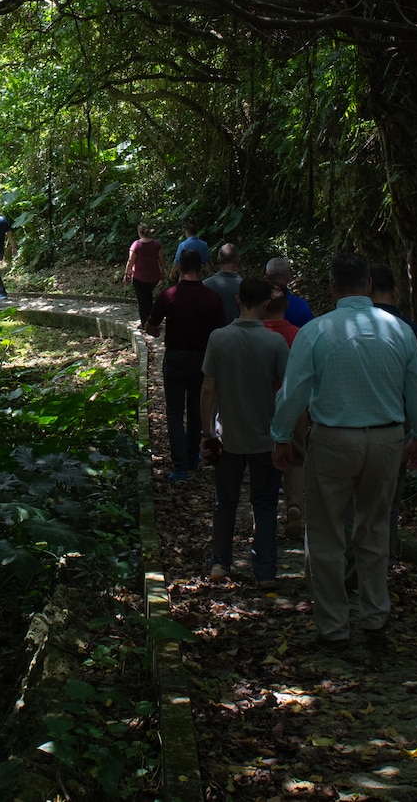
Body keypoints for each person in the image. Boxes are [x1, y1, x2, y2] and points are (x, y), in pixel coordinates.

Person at [271, 253, 417, 654]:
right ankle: (375, 620)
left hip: (332, 440)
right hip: (386, 440)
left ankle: (334, 628)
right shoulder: (399, 330)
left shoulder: (316, 331)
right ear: (366, 284)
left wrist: (280, 436)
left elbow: (293, 392)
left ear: (331, 286)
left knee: (326, 535)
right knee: (375, 530)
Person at [201, 274, 291, 587]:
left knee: (225, 502)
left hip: (228, 435)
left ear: (238, 300)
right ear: (267, 303)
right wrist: (286, 432)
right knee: (264, 503)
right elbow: (288, 390)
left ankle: (220, 563)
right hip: (265, 436)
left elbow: (208, 388)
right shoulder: (275, 342)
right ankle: (265, 570)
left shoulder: (219, 338)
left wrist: (206, 431)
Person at [145, 247, 227, 482]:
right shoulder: (213, 298)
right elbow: (219, 333)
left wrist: (157, 330)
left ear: (180, 266)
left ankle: (180, 466)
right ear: (200, 267)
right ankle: (193, 458)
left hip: (176, 358)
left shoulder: (169, 295)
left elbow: (151, 327)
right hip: (202, 359)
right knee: (195, 409)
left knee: (174, 412)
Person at [370, 262, 417, 556]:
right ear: (396, 289)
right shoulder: (413, 331)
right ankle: (384, 560)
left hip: (357, 421)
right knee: (389, 500)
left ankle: (352, 564)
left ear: (367, 288)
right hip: (400, 424)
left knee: (351, 500)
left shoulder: (356, 327)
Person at [261, 285, 307, 534]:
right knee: (296, 459)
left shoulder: (257, 334)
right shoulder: (300, 335)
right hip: (296, 404)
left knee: (265, 457)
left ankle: (265, 513)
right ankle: (295, 505)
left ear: (264, 305)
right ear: (287, 306)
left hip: (263, 404)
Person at [124, 223, 164, 324]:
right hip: (153, 276)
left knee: (142, 300)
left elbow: (130, 261)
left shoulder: (136, 245)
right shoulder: (156, 244)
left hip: (139, 277)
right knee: (149, 297)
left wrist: (126, 274)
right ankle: (152, 321)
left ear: (139, 233)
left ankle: (144, 322)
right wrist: (163, 271)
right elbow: (161, 259)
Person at [266, 256, 315, 327]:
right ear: (288, 277)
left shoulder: (259, 303)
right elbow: (310, 330)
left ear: (267, 276)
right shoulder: (300, 305)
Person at [202, 242, 243, 324]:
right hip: (240, 335)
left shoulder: (204, 286)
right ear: (238, 260)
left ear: (218, 260)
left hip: (212, 335)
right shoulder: (246, 286)